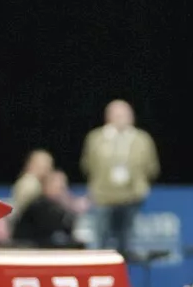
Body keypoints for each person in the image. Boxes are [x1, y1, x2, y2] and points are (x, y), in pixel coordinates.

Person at [80, 99, 160, 256]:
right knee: (100, 241)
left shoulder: (142, 139)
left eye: (126, 114)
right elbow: (87, 165)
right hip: (103, 198)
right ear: (108, 117)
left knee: (126, 242)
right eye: (118, 115)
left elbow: (152, 167)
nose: (122, 118)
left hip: (131, 198)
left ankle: (123, 277)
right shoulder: (96, 138)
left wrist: (141, 185)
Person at [12, 170, 83, 249]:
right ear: (46, 186)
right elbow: (51, 231)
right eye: (58, 186)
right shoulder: (38, 206)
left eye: (63, 186)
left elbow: (68, 230)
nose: (62, 190)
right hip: (29, 249)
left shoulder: (58, 207)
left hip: (45, 246)